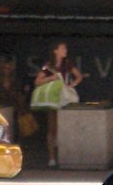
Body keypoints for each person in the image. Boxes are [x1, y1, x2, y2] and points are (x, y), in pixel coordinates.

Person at [34, 40, 83, 168]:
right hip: (54, 99)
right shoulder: (48, 66)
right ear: (56, 50)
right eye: (63, 48)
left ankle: (67, 155)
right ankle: (52, 157)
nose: (65, 50)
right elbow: (37, 81)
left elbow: (79, 76)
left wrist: (71, 85)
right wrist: (50, 78)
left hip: (66, 98)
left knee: (66, 127)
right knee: (52, 128)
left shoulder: (68, 63)